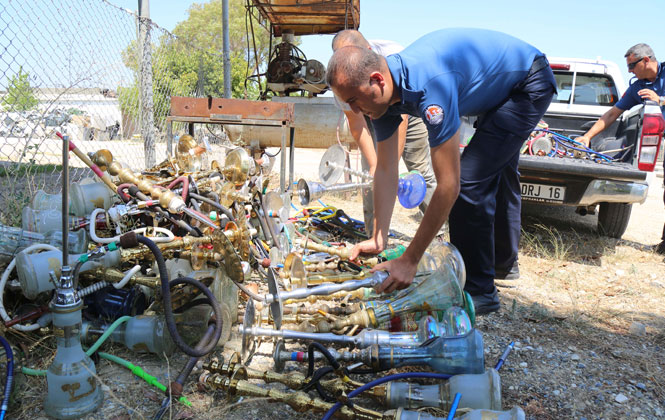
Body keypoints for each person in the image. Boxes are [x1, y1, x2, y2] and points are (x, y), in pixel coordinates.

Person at [327, 28, 556, 314]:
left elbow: (449, 185)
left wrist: (410, 259)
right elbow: (386, 168)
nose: (356, 111)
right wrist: (378, 236)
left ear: (377, 81)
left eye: (354, 101)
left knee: (471, 181)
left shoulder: (429, 86)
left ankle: (479, 290)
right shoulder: (386, 98)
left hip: (526, 83)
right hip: (498, 91)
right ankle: (500, 266)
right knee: (495, 172)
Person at [331, 30, 437, 237]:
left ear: (368, 53)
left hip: (407, 109)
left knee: (419, 169)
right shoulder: (339, 78)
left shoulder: (393, 55)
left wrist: (389, 169)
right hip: (366, 109)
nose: (346, 67)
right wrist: (375, 167)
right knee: (371, 178)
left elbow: (401, 119)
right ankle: (375, 235)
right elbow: (356, 121)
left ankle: (437, 233)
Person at [576, 43, 665, 255]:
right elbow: (612, 114)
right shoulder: (638, 87)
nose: (629, 71)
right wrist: (587, 137)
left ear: (646, 60)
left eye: (632, 65)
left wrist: (660, 100)